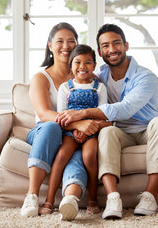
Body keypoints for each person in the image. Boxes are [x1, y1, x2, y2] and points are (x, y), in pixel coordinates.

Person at [56, 23, 158, 219]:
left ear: (126, 45)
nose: (112, 50)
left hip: (147, 130)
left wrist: (82, 113)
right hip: (120, 132)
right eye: (105, 46)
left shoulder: (145, 76)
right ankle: (113, 197)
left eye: (116, 43)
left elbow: (126, 108)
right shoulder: (100, 76)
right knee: (108, 131)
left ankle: (150, 196)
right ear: (100, 52)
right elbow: (77, 77)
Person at [20, 23, 105, 220]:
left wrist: (84, 128)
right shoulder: (41, 77)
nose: (65, 46)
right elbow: (43, 114)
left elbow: (102, 106)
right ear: (50, 45)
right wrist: (77, 124)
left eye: (71, 41)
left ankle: (70, 200)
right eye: (60, 41)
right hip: (45, 132)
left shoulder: (84, 75)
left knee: (77, 154)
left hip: (73, 135)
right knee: (51, 126)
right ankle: (31, 196)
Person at [38, 44, 110, 216]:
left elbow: (103, 115)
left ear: (94, 65)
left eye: (88, 63)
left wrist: (87, 129)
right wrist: (76, 127)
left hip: (91, 130)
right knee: (61, 156)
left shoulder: (99, 87)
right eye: (77, 62)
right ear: (71, 65)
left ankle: (93, 199)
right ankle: (49, 201)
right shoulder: (65, 87)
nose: (82, 67)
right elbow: (62, 116)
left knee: (89, 155)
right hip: (70, 131)